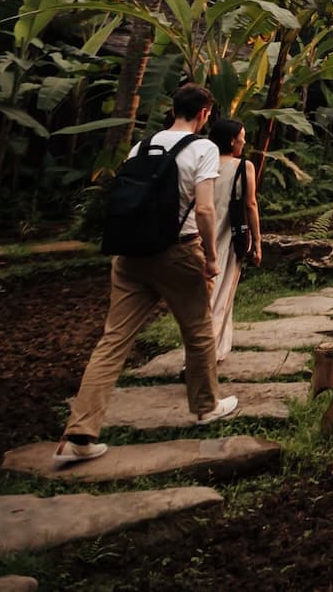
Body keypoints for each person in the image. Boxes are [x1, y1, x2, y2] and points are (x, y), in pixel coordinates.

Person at [59, 85, 238, 466]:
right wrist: (209, 256)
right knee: (199, 330)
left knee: (113, 341)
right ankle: (206, 406)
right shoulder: (202, 148)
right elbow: (205, 211)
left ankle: (81, 430)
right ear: (205, 112)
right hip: (177, 251)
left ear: (172, 109)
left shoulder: (141, 147)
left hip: (129, 254)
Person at [207, 118, 261, 359]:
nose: (244, 140)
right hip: (228, 238)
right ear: (232, 140)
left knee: (206, 298)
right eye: (242, 136)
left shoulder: (203, 163)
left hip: (199, 237)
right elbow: (250, 204)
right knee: (221, 295)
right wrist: (257, 242)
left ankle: (218, 348)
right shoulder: (243, 166)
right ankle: (206, 355)